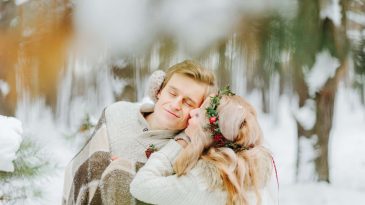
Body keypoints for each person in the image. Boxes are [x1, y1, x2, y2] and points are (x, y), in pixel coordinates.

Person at [62, 60, 216, 205]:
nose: (176, 105)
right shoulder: (116, 113)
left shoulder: (189, 151)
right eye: (173, 94)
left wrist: (124, 170)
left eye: (188, 102)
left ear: (200, 111)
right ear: (159, 90)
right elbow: (78, 171)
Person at [130, 86, 277, 205]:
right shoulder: (248, 175)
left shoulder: (201, 182)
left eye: (199, 115)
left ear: (209, 135)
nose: (192, 112)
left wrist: (180, 142)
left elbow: (140, 186)